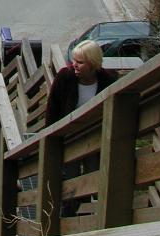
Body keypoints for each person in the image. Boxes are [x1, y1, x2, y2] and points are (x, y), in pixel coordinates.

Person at [45, 40, 117, 217]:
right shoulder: (65, 77)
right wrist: (51, 137)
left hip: (94, 137)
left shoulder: (107, 80)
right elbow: (52, 108)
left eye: (80, 62)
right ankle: (67, 217)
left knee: (94, 174)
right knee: (71, 178)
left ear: (92, 63)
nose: (74, 65)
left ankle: (86, 217)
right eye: (73, 60)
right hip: (70, 138)